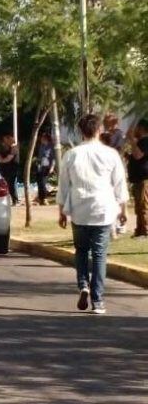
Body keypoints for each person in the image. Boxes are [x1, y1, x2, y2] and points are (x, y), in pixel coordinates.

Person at [58, 113, 128, 315]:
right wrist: (123, 210)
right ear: (99, 130)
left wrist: (62, 211)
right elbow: (119, 185)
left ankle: (83, 285)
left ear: (81, 132)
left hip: (79, 210)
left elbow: (64, 186)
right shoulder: (110, 155)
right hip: (103, 210)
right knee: (99, 255)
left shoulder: (71, 155)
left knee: (80, 251)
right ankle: (98, 301)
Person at [126, 118, 148, 238]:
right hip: (138, 180)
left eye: (136, 128)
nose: (133, 131)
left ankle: (145, 231)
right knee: (138, 207)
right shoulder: (141, 142)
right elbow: (136, 157)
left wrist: (131, 139)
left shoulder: (146, 141)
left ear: (141, 128)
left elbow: (139, 155)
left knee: (144, 206)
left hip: (144, 180)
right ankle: (139, 231)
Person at [0, 133, 19, 204]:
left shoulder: (14, 148)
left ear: (10, 139)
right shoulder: (7, 148)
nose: (4, 141)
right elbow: (0, 154)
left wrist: (1, 160)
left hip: (12, 170)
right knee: (7, 185)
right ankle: (10, 200)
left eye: (5, 140)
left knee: (11, 185)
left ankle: (15, 200)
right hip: (6, 170)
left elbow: (8, 158)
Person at [35, 131, 55, 205]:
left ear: (46, 138)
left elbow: (53, 158)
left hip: (47, 166)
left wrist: (52, 167)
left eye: (42, 138)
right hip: (40, 166)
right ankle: (40, 199)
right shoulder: (41, 146)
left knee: (43, 182)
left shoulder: (51, 146)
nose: (41, 139)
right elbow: (39, 156)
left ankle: (45, 198)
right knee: (39, 182)